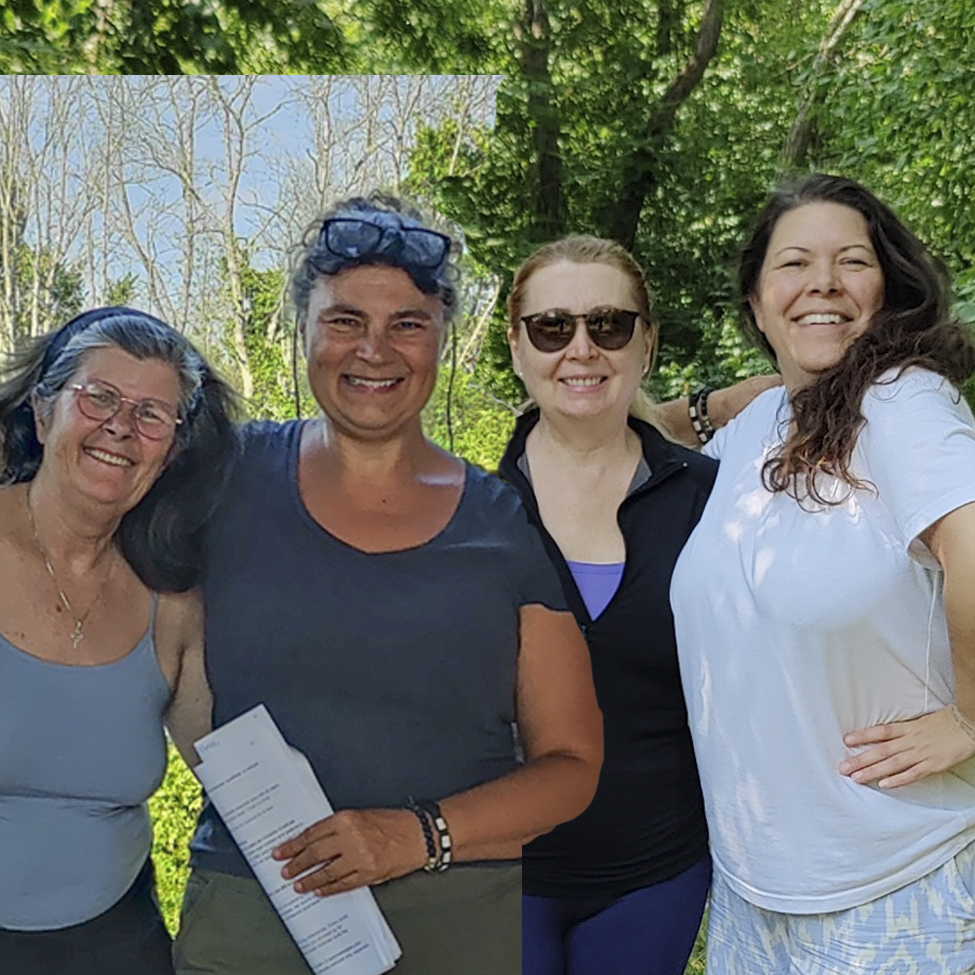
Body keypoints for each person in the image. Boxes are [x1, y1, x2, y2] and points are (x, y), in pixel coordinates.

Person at [173, 195, 604, 975]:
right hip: (250, 908)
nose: (374, 349)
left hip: (451, 912)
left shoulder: (502, 521)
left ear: (444, 339)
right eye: (343, 319)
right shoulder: (219, 475)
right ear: (300, 328)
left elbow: (571, 763)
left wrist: (413, 834)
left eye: (407, 322)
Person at [671, 174, 975, 973]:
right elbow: (608, 419)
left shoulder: (902, 402)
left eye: (851, 262)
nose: (823, 284)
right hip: (753, 894)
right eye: (794, 264)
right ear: (756, 297)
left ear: (889, 286)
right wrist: (722, 399)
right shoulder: (755, 429)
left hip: (899, 882)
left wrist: (972, 719)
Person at [499, 235, 717, 975]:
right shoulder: (467, 513)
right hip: (497, 875)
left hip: (657, 872)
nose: (581, 349)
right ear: (517, 346)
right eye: (552, 327)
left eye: (609, 325)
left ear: (646, 343)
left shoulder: (714, 501)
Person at [0, 307, 239, 975]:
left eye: (151, 414)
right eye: (98, 396)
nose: (120, 427)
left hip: (116, 942)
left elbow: (237, 773)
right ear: (43, 413)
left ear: (171, 452)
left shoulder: (173, 600)